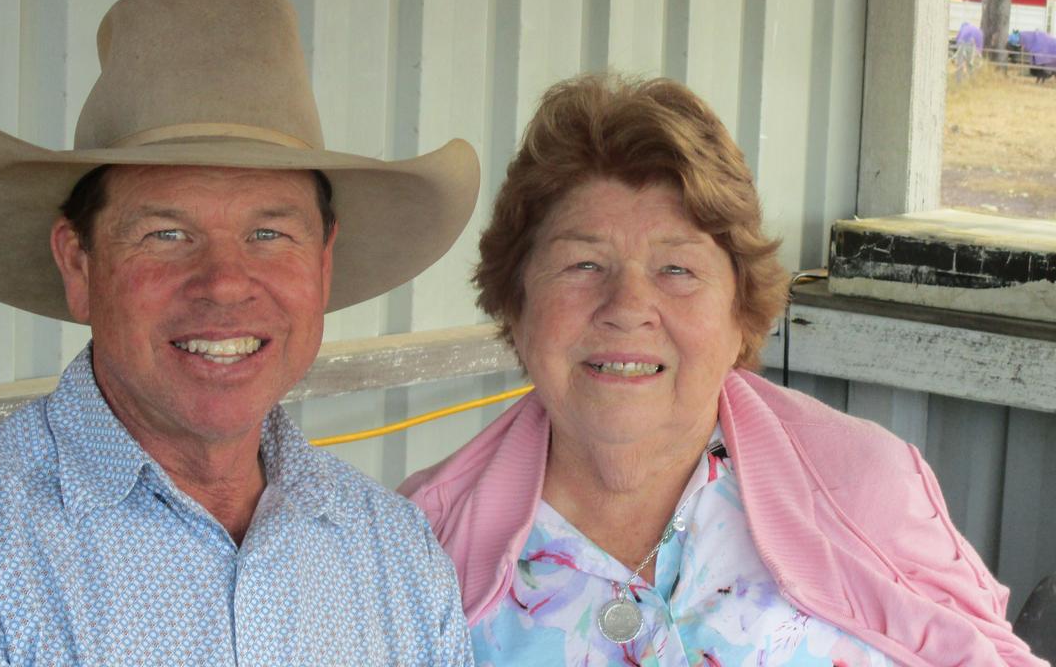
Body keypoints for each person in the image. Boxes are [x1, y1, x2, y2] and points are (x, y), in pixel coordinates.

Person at [0, 0, 479, 665]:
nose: (224, 283)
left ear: (323, 264)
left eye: (270, 232)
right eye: (166, 233)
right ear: (78, 263)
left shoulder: (394, 551)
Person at [400, 74, 1045, 666]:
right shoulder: (413, 547)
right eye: (582, 265)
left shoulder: (865, 488)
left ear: (741, 313)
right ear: (516, 305)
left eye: (677, 269)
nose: (628, 309)